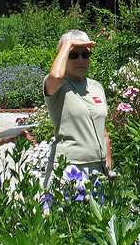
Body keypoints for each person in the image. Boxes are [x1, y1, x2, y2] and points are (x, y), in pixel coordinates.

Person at [43, 29, 112, 177]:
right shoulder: (58, 86)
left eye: (85, 54)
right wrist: (67, 44)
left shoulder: (96, 86)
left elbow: (102, 128)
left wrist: (108, 158)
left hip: (97, 169)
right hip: (69, 167)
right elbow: (55, 75)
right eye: (73, 55)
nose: (81, 60)